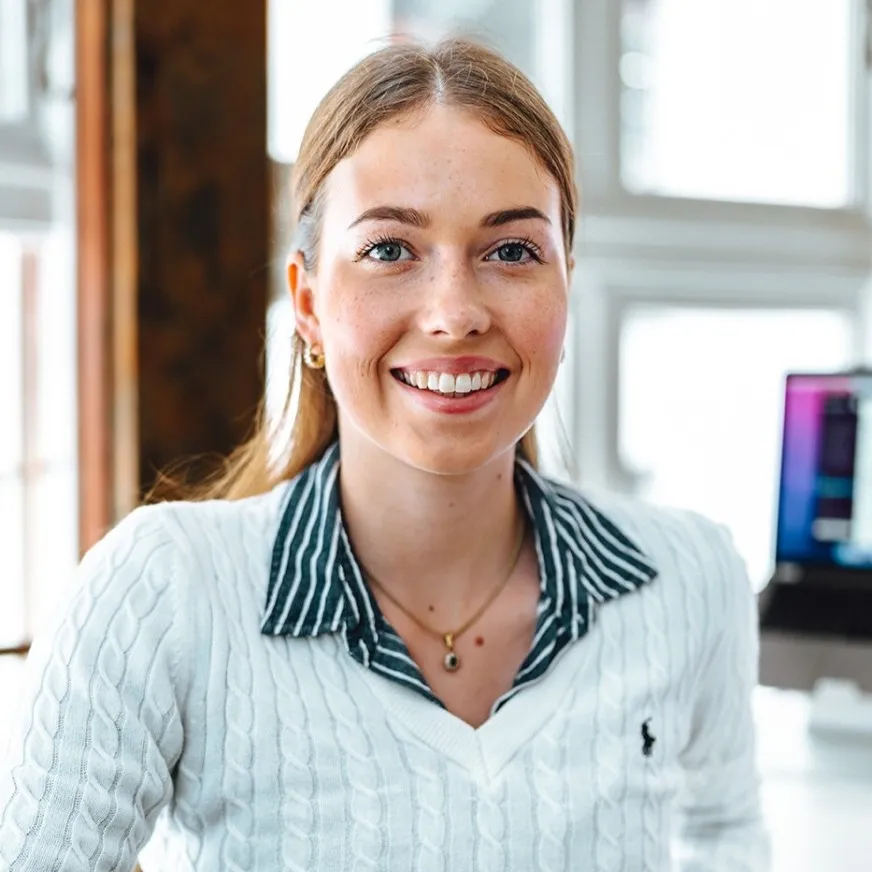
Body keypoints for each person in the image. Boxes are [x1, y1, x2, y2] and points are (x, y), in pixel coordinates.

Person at [0, 37, 770, 871]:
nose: (454, 314)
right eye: (389, 250)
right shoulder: (161, 593)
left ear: (566, 283)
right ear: (306, 303)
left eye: (511, 251)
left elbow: (724, 842)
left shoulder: (691, 579)